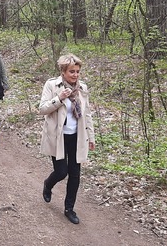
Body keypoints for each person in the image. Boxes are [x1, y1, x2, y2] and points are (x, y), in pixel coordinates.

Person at [38, 53, 96, 225]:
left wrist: (91, 136)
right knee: (61, 172)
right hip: (58, 136)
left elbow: (86, 114)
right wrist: (59, 98)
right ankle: (48, 185)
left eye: (77, 71)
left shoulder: (82, 89)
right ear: (63, 71)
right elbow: (42, 109)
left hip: (77, 136)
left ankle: (69, 209)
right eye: (72, 71)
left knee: (75, 174)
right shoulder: (52, 85)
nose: (75, 75)